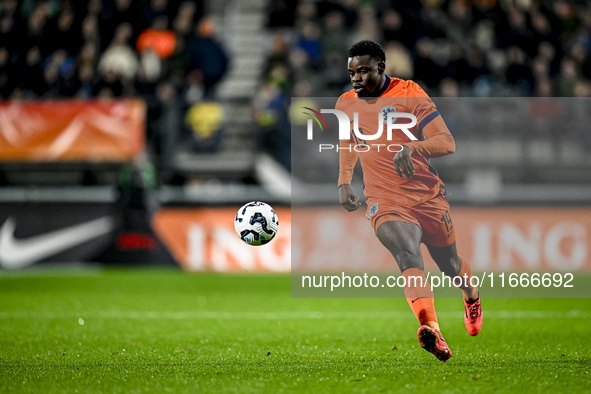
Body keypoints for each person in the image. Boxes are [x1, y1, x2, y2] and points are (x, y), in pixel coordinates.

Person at [337, 40, 483, 362]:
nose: (356, 79)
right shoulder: (346, 104)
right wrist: (344, 181)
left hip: (426, 195)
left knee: (450, 266)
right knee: (408, 256)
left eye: (362, 71)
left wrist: (412, 148)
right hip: (383, 198)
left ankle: (470, 295)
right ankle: (432, 328)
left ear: (381, 68)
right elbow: (348, 143)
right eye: (351, 73)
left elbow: (447, 142)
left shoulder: (409, 93)